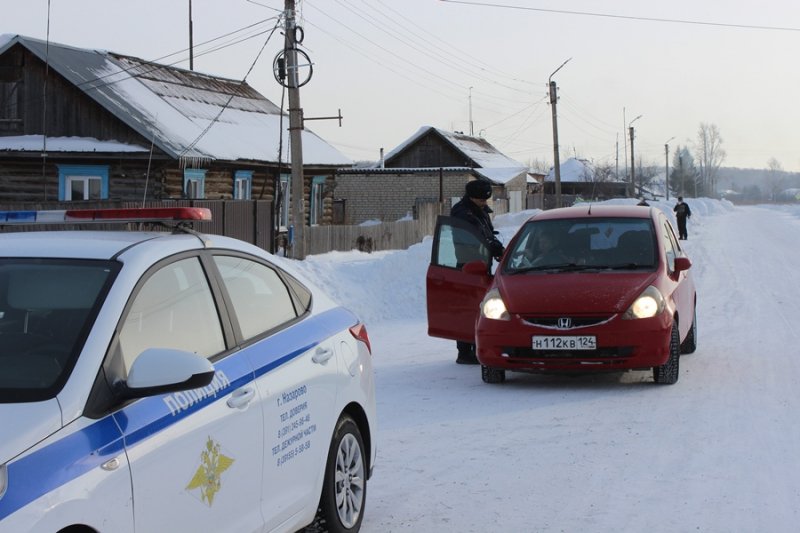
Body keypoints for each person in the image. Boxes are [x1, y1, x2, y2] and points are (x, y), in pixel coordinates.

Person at [449, 179, 504, 364]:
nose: (484, 203)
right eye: (481, 200)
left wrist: (493, 244)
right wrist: (490, 245)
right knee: (467, 307)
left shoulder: (479, 210)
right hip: (467, 264)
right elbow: (474, 235)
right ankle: (464, 352)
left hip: (482, 263)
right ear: (472, 197)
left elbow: (486, 232)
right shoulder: (462, 212)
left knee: (480, 306)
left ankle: (476, 345)